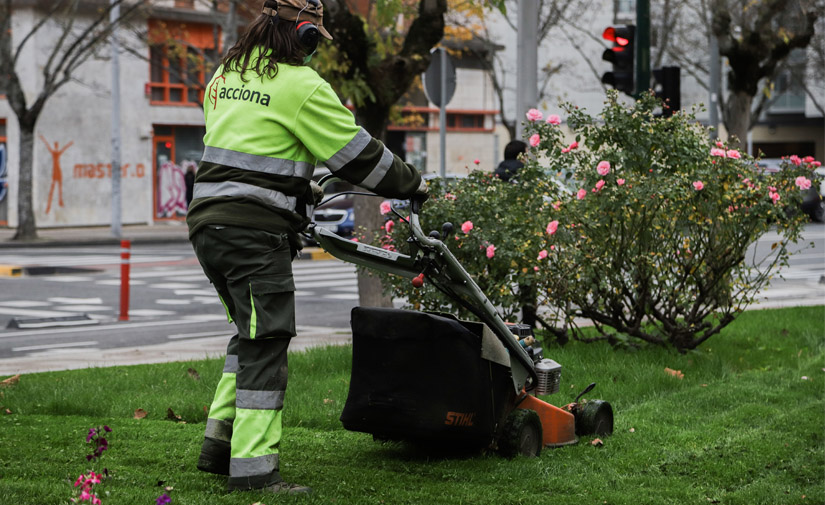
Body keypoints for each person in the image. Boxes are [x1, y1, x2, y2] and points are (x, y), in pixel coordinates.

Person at [186, 0, 427, 495]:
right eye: (315, 37)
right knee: (267, 343)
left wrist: (301, 186)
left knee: (251, 334)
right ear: (305, 35)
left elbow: (251, 149)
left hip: (208, 224)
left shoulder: (226, 75)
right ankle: (254, 472)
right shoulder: (301, 85)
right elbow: (362, 157)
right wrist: (413, 185)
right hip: (252, 233)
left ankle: (219, 444)